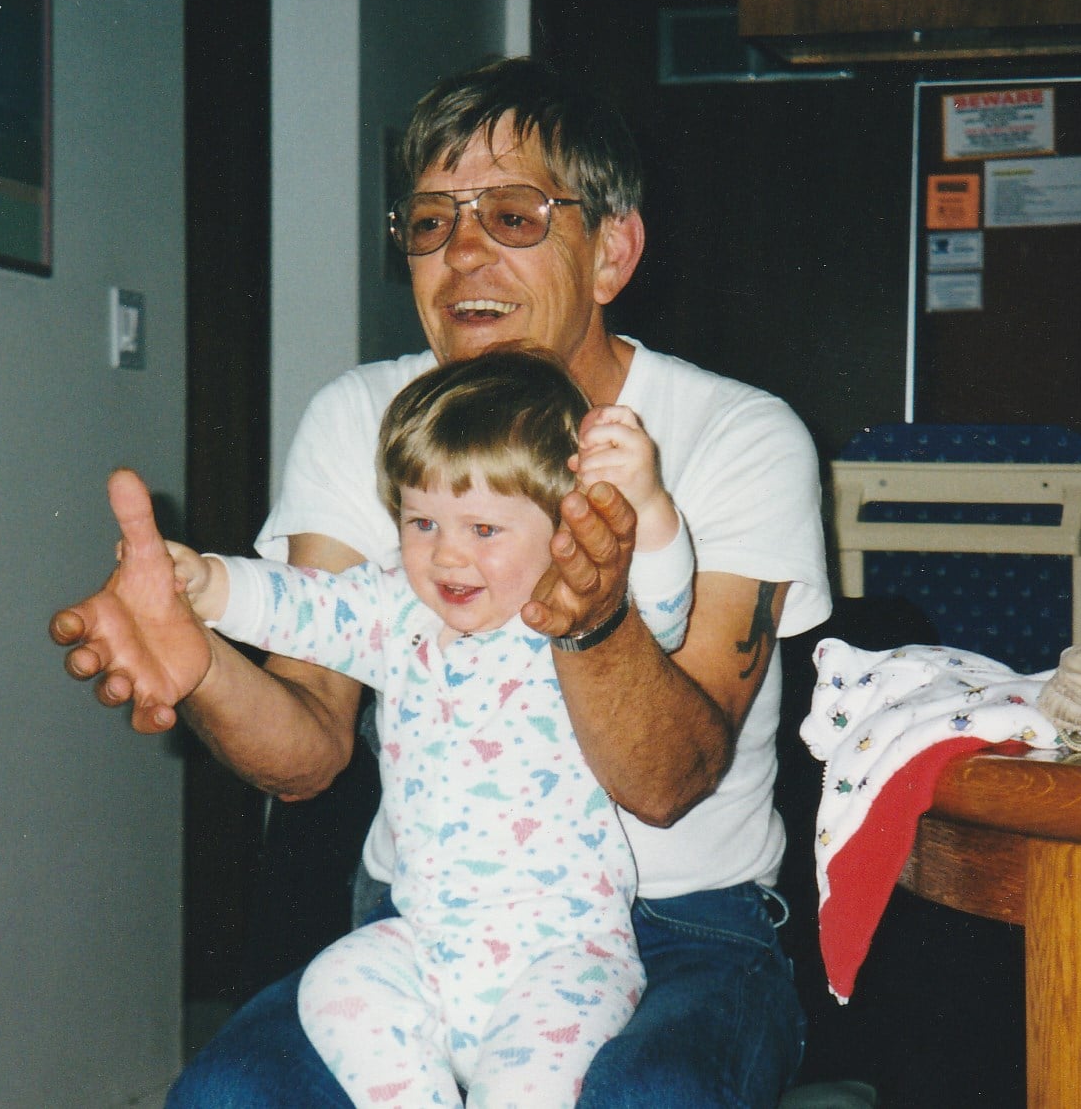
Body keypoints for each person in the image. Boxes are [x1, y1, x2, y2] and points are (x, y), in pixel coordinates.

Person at [51, 56, 832, 1107]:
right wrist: (200, 664)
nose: (460, 253)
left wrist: (592, 621)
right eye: (429, 222)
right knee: (228, 1095)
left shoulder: (735, 435)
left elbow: (666, 782)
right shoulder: (365, 418)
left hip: (686, 924)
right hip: (429, 917)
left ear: (611, 251)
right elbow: (310, 751)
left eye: (511, 215)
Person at [170, 351, 691, 1107]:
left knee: (525, 1090)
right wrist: (206, 585)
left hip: (566, 957)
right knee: (336, 982)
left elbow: (668, 610)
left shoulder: (570, 617)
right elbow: (302, 605)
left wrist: (647, 503)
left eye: (483, 527)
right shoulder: (396, 614)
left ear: (564, 527)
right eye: (422, 522)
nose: (447, 554)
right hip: (426, 941)